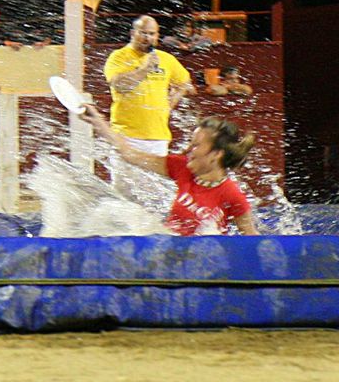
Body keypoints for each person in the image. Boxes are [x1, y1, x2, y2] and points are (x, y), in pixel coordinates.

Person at [82, 103, 259, 235]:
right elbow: (130, 154)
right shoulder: (181, 168)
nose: (188, 150)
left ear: (216, 155)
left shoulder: (233, 195)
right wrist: (99, 123)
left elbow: (251, 240)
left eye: (196, 145)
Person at [103, 15, 193, 198]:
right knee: (124, 194)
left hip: (157, 139)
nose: (147, 38)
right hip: (126, 136)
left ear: (157, 35)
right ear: (132, 33)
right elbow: (119, 85)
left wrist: (170, 103)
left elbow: (185, 84)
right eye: (143, 33)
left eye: (152, 34)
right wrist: (144, 70)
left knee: (154, 196)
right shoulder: (118, 57)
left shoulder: (165, 59)